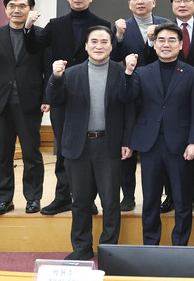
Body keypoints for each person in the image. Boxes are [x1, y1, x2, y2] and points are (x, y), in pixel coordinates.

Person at [23, 0, 111, 216]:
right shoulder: (55, 24)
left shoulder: (102, 24)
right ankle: (62, 197)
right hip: (62, 93)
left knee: (89, 149)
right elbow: (33, 48)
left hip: (92, 94)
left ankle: (88, 199)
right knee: (63, 148)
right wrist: (28, 27)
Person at [46, 26, 135, 260]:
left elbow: (130, 109)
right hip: (79, 146)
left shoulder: (122, 72)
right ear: (86, 46)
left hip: (109, 145)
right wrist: (55, 77)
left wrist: (127, 141)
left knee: (111, 202)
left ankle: (108, 250)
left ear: (111, 46)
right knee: (80, 202)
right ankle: (82, 248)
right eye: (94, 41)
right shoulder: (70, 73)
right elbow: (55, 100)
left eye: (104, 41)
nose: (99, 46)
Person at [120, 23, 194, 246]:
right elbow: (127, 99)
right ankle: (150, 246)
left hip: (180, 145)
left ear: (181, 44)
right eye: (161, 40)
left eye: (172, 40)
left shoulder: (192, 73)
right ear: (154, 45)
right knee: (150, 200)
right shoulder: (141, 72)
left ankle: (180, 247)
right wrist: (128, 73)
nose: (166, 44)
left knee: (182, 200)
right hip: (150, 144)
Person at [0, 0, 50, 216]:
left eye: (22, 6)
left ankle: (33, 198)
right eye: (12, 5)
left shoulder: (41, 35)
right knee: (3, 154)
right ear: (5, 9)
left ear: (31, 9)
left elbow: (48, 70)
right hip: (2, 103)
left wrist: (47, 98)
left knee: (31, 153)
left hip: (30, 103)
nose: (16, 10)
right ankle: (4, 199)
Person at [111, 0, 170, 213]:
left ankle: (166, 195)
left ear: (153, 2)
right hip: (131, 91)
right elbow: (115, 57)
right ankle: (127, 195)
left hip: (160, 91)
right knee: (127, 142)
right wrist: (118, 36)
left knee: (162, 144)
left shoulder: (166, 24)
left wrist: (153, 40)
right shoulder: (122, 26)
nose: (140, 1)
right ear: (129, 4)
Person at [156, 0, 194, 215]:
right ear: (171, 5)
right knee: (169, 149)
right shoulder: (163, 31)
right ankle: (170, 195)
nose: (182, 4)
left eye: (187, 0)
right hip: (169, 96)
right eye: (177, 0)